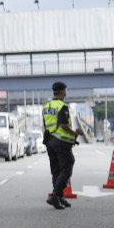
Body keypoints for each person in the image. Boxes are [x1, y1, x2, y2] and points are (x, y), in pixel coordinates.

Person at [43, 81, 83, 209]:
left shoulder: (47, 106)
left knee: (56, 170)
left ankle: (59, 198)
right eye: (65, 90)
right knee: (67, 167)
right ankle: (55, 195)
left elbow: (46, 125)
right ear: (62, 92)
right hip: (61, 142)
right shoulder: (62, 107)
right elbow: (64, 125)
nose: (66, 92)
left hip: (49, 142)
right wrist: (75, 132)